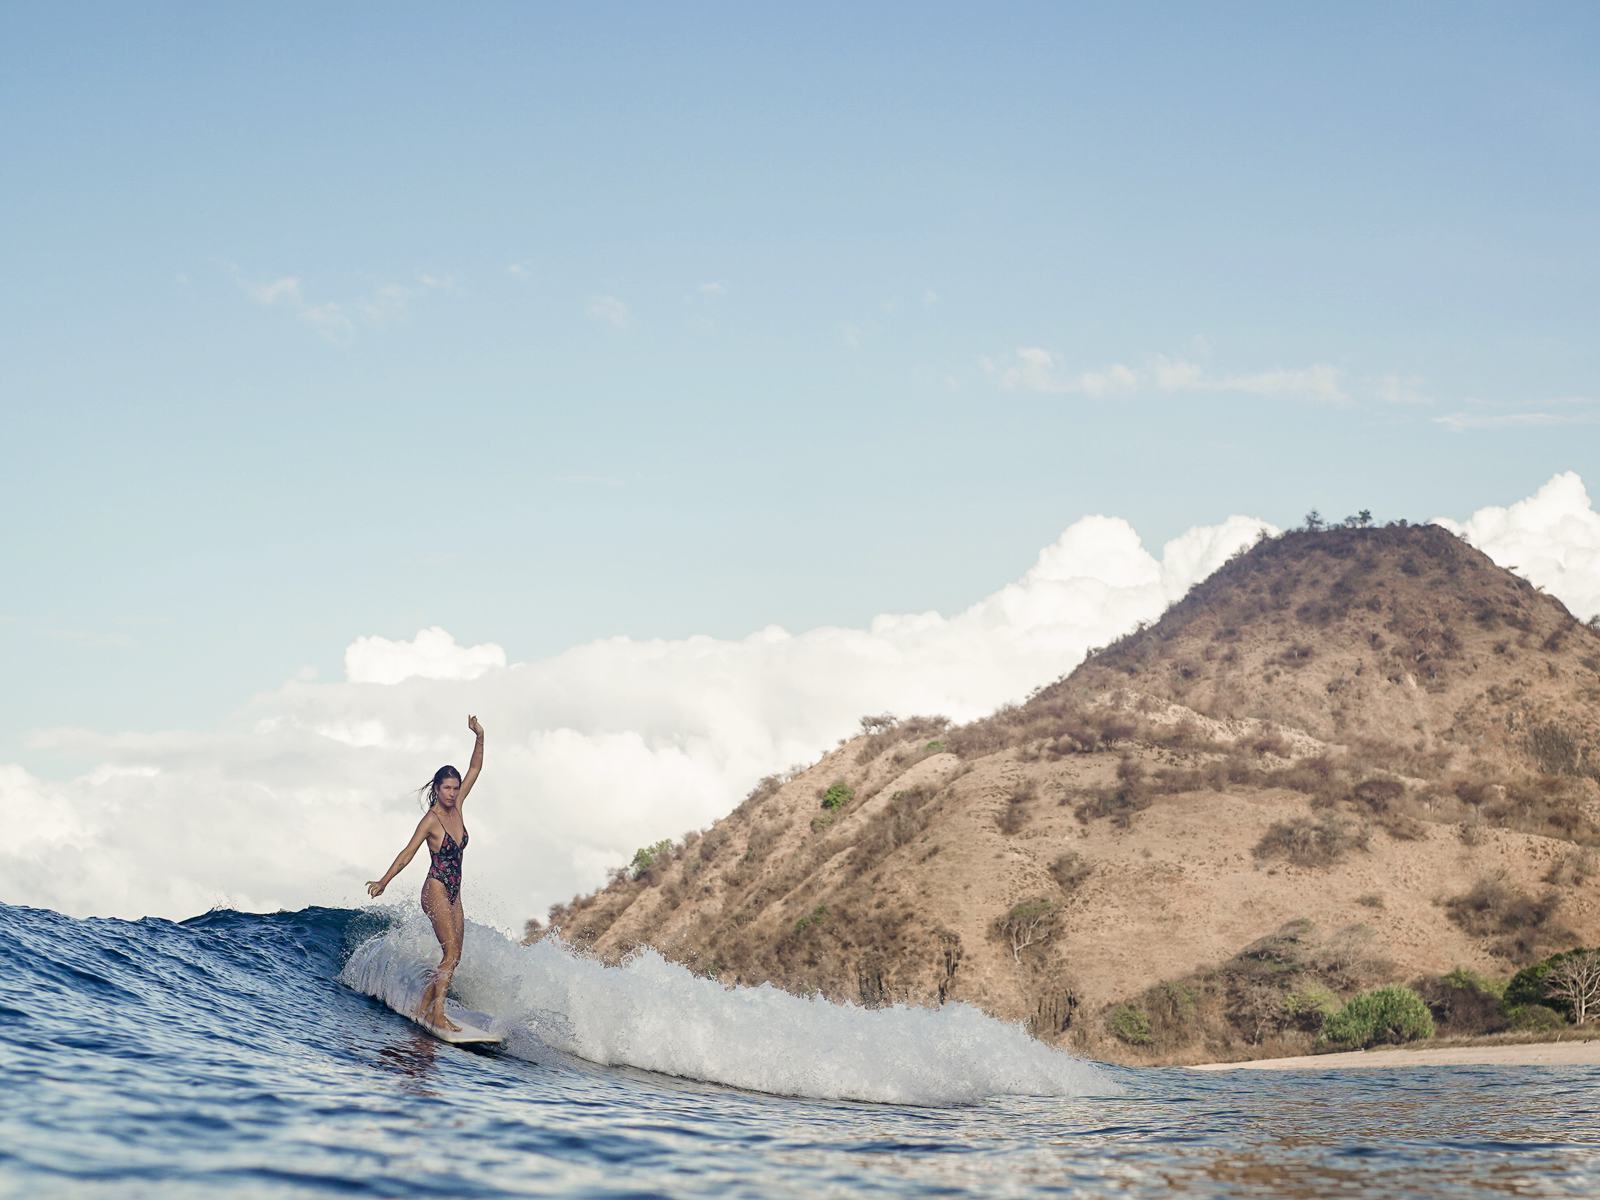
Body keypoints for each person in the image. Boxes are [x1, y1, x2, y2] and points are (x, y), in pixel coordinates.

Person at [366, 715, 484, 1032]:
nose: (451, 793)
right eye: (446, 788)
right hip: (434, 889)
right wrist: (384, 881)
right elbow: (408, 852)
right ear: (436, 788)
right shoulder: (431, 820)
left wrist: (479, 736)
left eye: (455, 788)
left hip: (455, 893)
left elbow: (475, 769)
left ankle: (423, 1006)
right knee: (450, 952)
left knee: (455, 956)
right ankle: (437, 1013)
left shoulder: (458, 806)